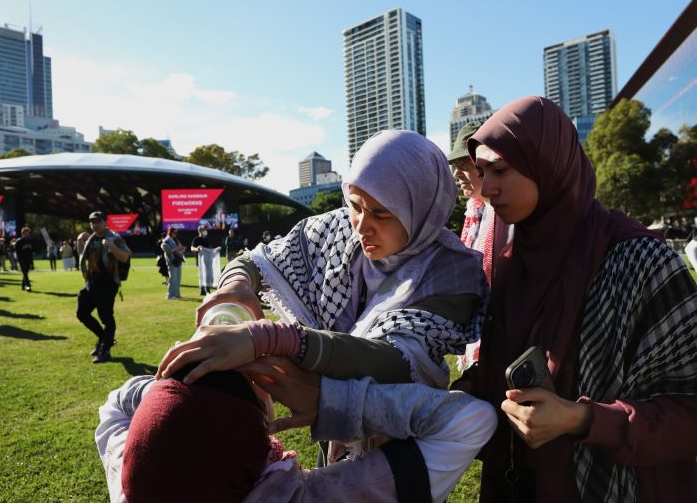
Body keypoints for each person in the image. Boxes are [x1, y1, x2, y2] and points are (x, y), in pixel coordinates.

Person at [157, 130, 490, 472]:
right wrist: (237, 284)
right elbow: (256, 261)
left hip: (405, 447)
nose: (362, 226)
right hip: (332, 433)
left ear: (420, 208)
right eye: (355, 206)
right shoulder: (337, 230)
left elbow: (395, 359)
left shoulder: (452, 271)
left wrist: (273, 340)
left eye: (381, 213)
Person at [455, 96, 697, 503]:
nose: (487, 188)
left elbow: (687, 411)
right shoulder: (512, 263)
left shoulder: (640, 261)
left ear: (546, 164)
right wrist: (463, 392)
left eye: (500, 170)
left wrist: (583, 418)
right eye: (481, 172)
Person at [97, 360, 496, 503]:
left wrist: (174, 394)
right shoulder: (318, 498)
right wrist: (330, 399)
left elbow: (115, 406)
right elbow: (469, 421)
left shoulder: (129, 481)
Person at [448, 121, 512, 372]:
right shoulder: (475, 212)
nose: (456, 174)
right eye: (455, 166)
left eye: (464, 164)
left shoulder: (508, 215)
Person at [77, 211, 132, 364]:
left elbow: (125, 257)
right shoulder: (91, 238)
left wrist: (112, 246)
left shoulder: (114, 238)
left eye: (98, 221)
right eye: (92, 222)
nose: (94, 225)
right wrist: (80, 242)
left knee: (106, 317)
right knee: (82, 313)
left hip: (107, 283)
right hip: (91, 283)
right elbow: (83, 259)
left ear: (105, 222)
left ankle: (105, 350)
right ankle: (104, 338)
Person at [191, 224, 219, 296]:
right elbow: (192, 248)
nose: (205, 231)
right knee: (202, 275)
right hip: (200, 261)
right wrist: (197, 249)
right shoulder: (196, 239)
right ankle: (203, 289)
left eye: (205, 230)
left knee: (207, 275)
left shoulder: (206, 240)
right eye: (204, 230)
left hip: (208, 260)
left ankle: (207, 288)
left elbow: (209, 250)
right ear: (200, 231)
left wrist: (215, 250)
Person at [160, 227, 185, 300]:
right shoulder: (166, 241)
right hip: (172, 261)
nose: (175, 234)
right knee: (172, 279)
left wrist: (182, 248)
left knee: (178, 278)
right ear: (170, 232)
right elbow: (168, 251)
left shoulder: (176, 240)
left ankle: (177, 294)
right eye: (174, 232)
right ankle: (170, 295)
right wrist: (178, 249)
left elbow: (179, 248)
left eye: (176, 233)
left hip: (178, 259)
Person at [14, 227, 35, 291]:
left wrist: (30, 247)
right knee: (25, 273)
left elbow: (33, 249)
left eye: (28, 233)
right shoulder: (19, 241)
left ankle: (22, 285)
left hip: (28, 258)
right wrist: (23, 248)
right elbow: (17, 251)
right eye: (25, 233)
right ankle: (28, 286)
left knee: (26, 272)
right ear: (22, 233)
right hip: (21, 259)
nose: (27, 234)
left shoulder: (30, 240)